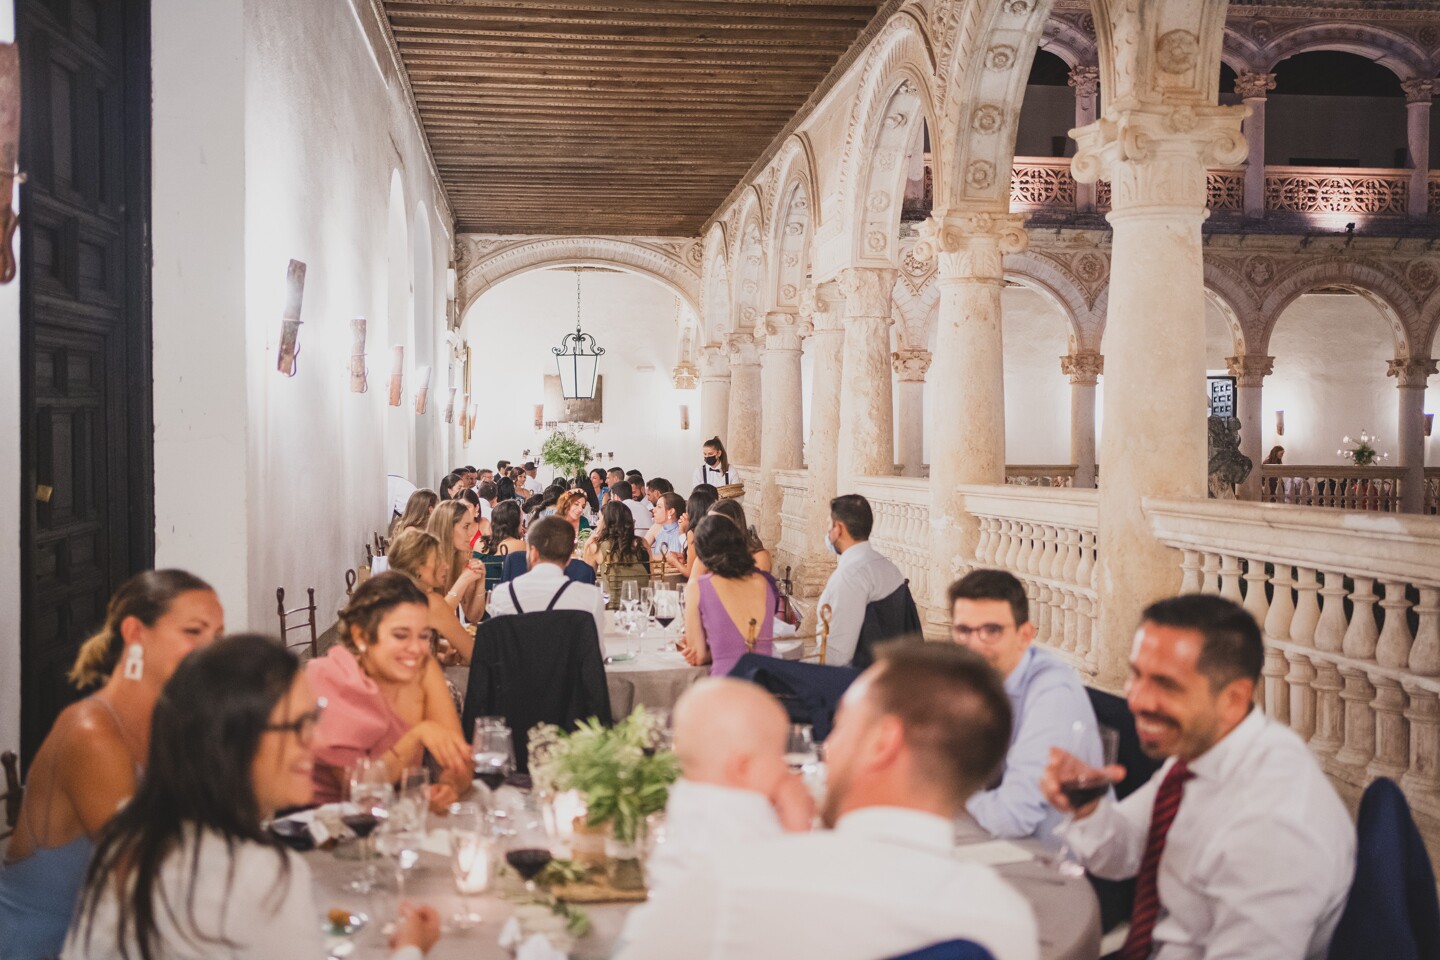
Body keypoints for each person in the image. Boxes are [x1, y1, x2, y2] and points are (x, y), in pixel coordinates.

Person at [616, 643, 1039, 960]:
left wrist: (771, 846)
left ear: (882, 743)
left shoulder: (735, 884)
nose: (828, 748)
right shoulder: (1008, 923)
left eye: (839, 726)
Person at [64, 635, 441, 960]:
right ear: (237, 745)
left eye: (314, 715)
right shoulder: (261, 875)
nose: (318, 739)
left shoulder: (128, 828)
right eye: (297, 725)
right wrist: (408, 949)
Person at [1041, 595, 1355, 960]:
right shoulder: (1198, 754)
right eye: (1136, 674)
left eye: (1165, 684)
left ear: (1234, 699)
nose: (1136, 699)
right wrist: (1087, 807)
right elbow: (1125, 852)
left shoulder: (1275, 824)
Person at [0, 571, 224, 960]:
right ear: (136, 632)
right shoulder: (91, 733)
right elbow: (141, 877)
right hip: (50, 945)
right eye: (193, 632)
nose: (212, 651)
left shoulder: (170, 725)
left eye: (217, 636)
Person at [948, 569, 1100, 845]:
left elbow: (1012, 817)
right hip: (990, 840)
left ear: (1025, 635)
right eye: (963, 631)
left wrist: (945, 795)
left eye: (991, 630)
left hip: (1049, 858)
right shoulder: (977, 681)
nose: (973, 645)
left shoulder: (1052, 693)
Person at [306, 573, 471, 808]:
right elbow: (357, 789)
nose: (415, 648)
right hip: (325, 828)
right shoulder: (329, 677)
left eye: (423, 635)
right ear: (361, 636)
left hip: (398, 822)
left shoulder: (423, 667)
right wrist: (416, 735)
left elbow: (460, 763)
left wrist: (449, 786)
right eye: (400, 635)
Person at [640, 679, 812, 895]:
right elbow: (788, 893)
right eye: (777, 755)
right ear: (742, 768)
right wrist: (797, 832)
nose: (784, 766)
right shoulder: (738, 820)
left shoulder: (690, 803)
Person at [817, 494, 906, 666]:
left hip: (853, 680)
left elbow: (837, 655)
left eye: (829, 525)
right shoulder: (889, 568)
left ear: (839, 528)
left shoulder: (850, 576)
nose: (828, 532)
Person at [682, 515, 776, 676]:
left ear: (702, 553)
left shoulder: (699, 587)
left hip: (727, 686)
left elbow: (699, 655)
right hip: (767, 687)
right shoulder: (766, 582)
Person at [486, 516, 607, 640]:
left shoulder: (502, 596)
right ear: (568, 559)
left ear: (533, 553)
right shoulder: (590, 598)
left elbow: (495, 645)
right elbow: (595, 653)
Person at [387, 529, 481, 664]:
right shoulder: (431, 602)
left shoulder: (394, 596)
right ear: (418, 567)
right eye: (438, 559)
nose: (446, 566)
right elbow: (474, 654)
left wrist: (441, 657)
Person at [425, 500, 487, 622]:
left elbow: (473, 617)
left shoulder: (462, 560)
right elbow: (436, 619)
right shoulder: (425, 563)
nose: (471, 533)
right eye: (466, 527)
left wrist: (480, 581)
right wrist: (463, 580)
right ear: (447, 528)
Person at [583, 500, 652, 608]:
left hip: (612, 610)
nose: (597, 523)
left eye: (599, 519)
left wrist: (587, 545)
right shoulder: (643, 543)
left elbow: (586, 582)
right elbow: (651, 577)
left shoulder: (596, 547)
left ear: (606, 522)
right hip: (643, 608)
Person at [707, 498, 771, 572]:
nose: (710, 527)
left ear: (735, 524)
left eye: (716, 523)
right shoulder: (709, 554)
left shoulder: (759, 556)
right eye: (708, 521)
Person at [645, 491, 687, 566]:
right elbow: (640, 551)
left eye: (659, 507)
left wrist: (653, 557)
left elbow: (684, 558)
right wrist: (666, 558)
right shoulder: (656, 527)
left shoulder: (682, 529)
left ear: (671, 511)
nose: (654, 510)